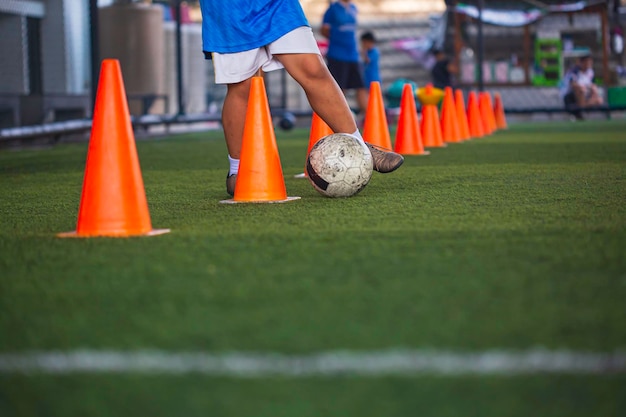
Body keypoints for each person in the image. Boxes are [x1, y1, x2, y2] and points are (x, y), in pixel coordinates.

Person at [198, 0, 403, 196]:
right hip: (230, 6)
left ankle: (359, 146)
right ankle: (238, 170)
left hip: (277, 3)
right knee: (244, 86)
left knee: (312, 68)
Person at [321, 0, 369, 116]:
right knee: (340, 88)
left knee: (360, 86)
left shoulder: (353, 7)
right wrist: (338, 39)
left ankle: (370, 117)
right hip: (337, 55)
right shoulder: (333, 9)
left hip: (352, 55)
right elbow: (324, 30)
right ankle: (338, 116)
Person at [561, 55, 603, 120]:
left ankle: (583, 107)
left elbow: (593, 85)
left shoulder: (590, 72)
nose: (588, 64)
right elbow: (573, 84)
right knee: (581, 90)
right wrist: (583, 88)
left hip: (586, 96)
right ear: (582, 62)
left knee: (599, 99)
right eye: (586, 62)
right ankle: (581, 110)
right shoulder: (574, 71)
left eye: (590, 62)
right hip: (571, 97)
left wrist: (593, 89)